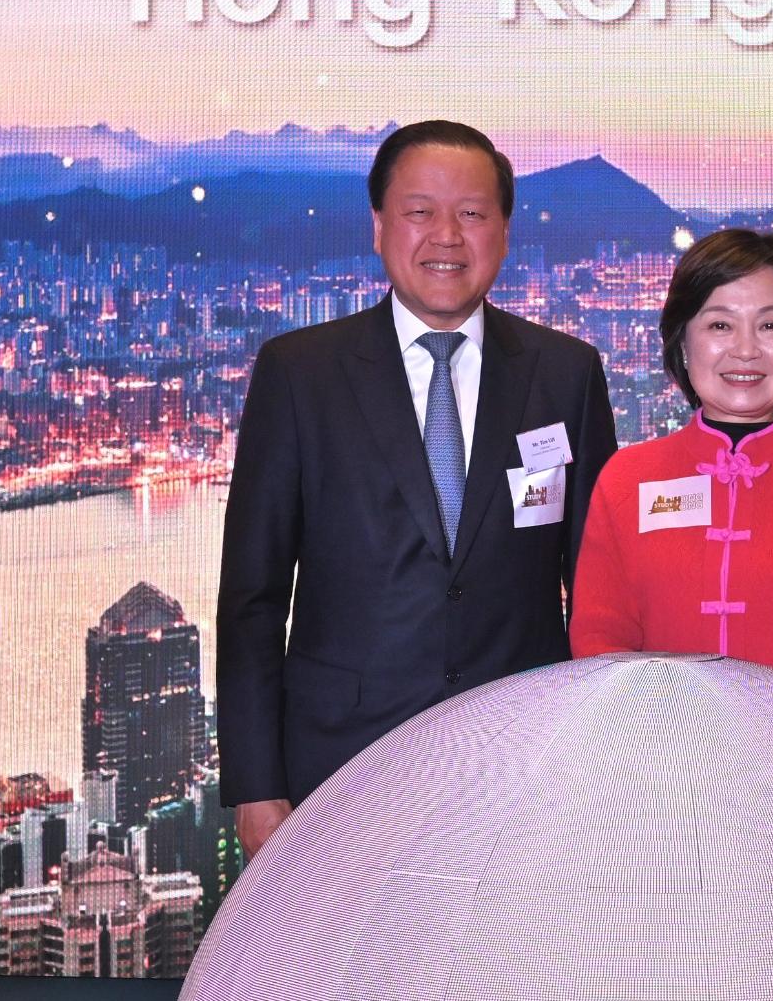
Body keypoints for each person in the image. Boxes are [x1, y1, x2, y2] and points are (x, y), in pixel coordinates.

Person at [216, 121, 618, 859]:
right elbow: (252, 597)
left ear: (502, 231)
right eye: (419, 210)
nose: (446, 235)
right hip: (340, 766)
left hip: (522, 764)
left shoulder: (565, 373)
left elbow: (594, 584)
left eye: (471, 213)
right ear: (378, 226)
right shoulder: (300, 373)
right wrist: (254, 783)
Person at [571, 229, 773, 700]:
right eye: (720, 325)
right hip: (659, 756)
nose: (746, 350)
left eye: (770, 325)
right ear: (683, 341)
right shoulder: (628, 477)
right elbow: (601, 642)